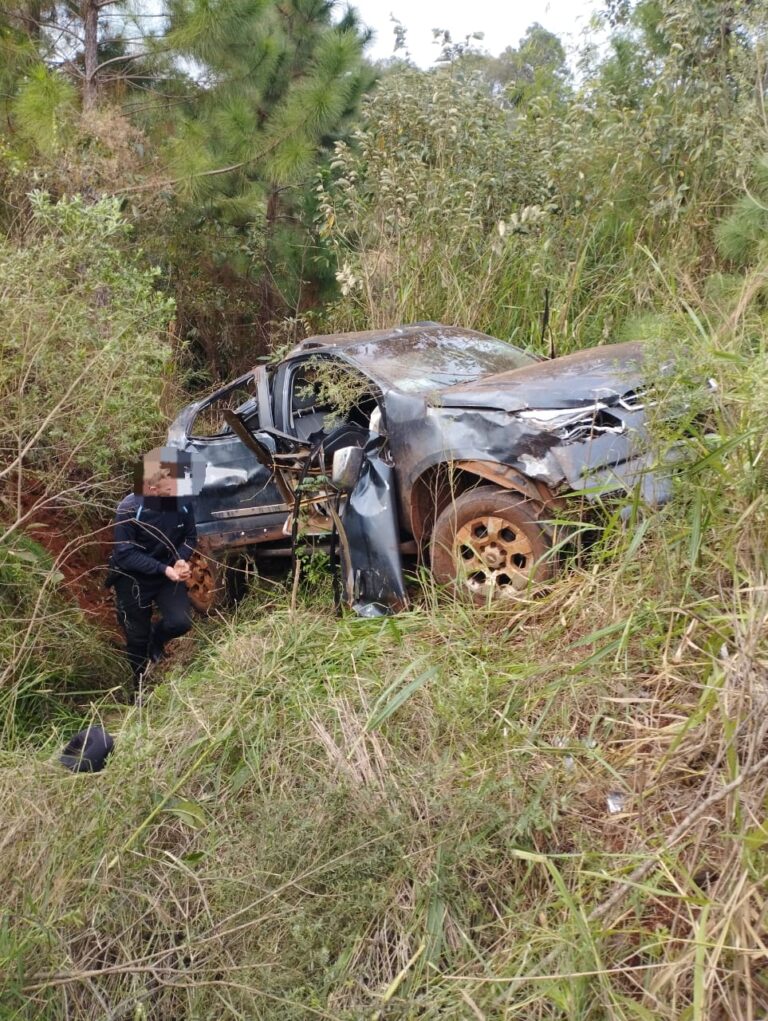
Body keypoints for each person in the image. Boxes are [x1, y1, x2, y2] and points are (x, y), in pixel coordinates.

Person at [108, 448, 197, 689]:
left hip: (167, 573)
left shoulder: (183, 504)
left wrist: (180, 560)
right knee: (136, 637)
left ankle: (156, 641)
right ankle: (138, 686)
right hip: (132, 579)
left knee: (181, 622)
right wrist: (163, 569)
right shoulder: (128, 509)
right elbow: (125, 554)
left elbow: (190, 536)